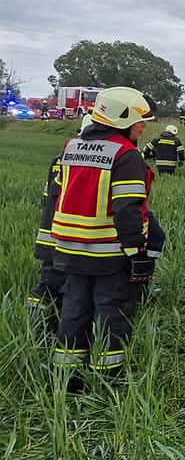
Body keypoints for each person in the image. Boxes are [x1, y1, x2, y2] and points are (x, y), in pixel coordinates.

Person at [50, 86, 156, 384]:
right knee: (112, 313)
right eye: (139, 120)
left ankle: (67, 378)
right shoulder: (126, 155)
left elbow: (58, 193)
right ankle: (108, 380)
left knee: (74, 309)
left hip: (69, 248)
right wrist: (136, 252)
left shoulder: (71, 147)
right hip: (108, 251)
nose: (142, 126)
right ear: (123, 119)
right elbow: (127, 209)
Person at [27, 114, 94, 324]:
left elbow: (48, 195)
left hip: (51, 227)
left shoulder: (60, 158)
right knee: (69, 281)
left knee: (49, 277)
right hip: (72, 231)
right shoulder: (92, 159)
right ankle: (57, 322)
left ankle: (34, 322)